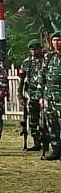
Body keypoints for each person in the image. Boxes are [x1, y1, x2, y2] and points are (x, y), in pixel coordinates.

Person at [19, 41, 46, 152]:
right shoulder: (26, 62)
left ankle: (47, 142)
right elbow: (21, 81)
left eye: (36, 49)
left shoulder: (46, 60)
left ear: (40, 49)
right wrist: (20, 96)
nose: (34, 51)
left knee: (45, 120)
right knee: (33, 120)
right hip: (31, 95)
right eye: (31, 49)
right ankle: (36, 143)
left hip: (44, 94)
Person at [42, 33, 61, 161]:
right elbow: (42, 77)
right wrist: (41, 96)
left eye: (59, 40)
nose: (56, 43)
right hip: (49, 95)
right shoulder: (48, 57)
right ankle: (56, 150)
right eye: (54, 40)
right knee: (52, 123)